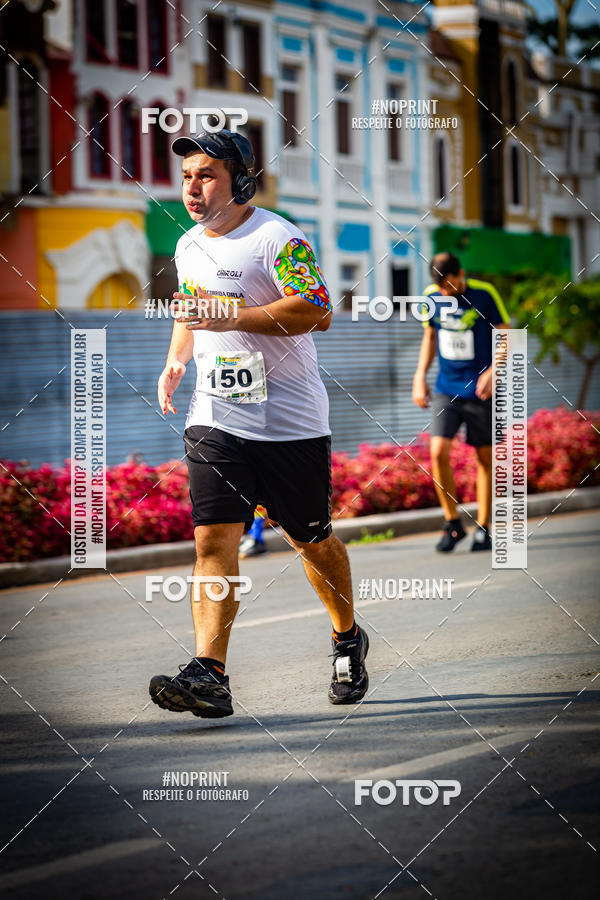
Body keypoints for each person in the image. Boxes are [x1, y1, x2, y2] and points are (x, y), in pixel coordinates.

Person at [149, 129, 368, 717]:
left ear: (239, 180)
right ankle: (210, 673)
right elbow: (192, 309)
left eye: (207, 175)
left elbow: (318, 311)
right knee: (213, 541)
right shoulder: (189, 244)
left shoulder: (277, 237)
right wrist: (176, 359)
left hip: (290, 422)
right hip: (216, 418)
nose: (193, 187)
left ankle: (347, 637)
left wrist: (232, 316)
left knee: (310, 540)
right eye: (188, 175)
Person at [412, 252, 511, 552]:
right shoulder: (432, 295)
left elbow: (508, 336)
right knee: (438, 451)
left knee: (484, 458)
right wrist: (419, 377)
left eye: (449, 286)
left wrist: (494, 370)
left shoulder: (484, 293)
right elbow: (430, 336)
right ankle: (453, 523)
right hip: (447, 388)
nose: (445, 293)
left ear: (461, 274)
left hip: (481, 390)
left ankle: (484, 527)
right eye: (440, 288)